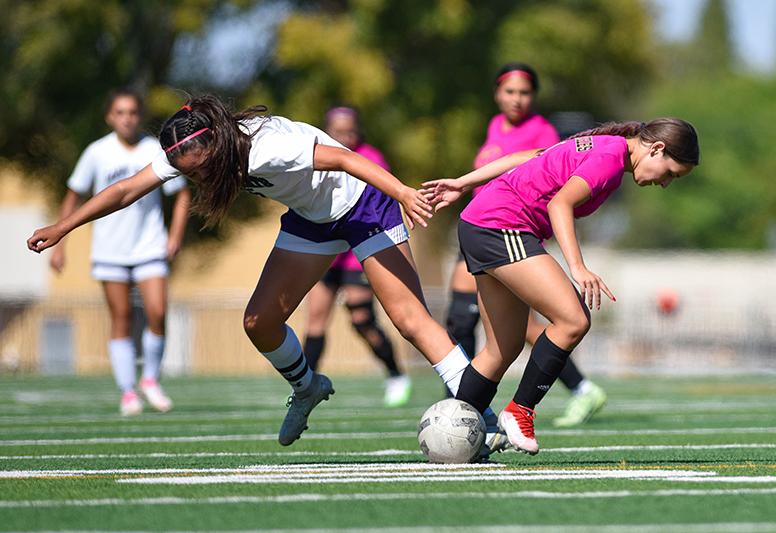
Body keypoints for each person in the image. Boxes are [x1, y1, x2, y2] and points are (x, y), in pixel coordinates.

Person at [28, 95, 504, 453]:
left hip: (365, 205)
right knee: (258, 323)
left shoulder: (268, 144)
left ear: (215, 143)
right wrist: (64, 227)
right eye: (188, 175)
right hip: (312, 220)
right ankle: (307, 387)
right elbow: (127, 189)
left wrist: (401, 191)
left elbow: (343, 158)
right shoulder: (184, 147)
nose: (197, 180)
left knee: (409, 319)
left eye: (201, 172)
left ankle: (485, 417)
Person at [423, 118, 699, 454]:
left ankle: (454, 433)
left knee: (502, 349)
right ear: (656, 148)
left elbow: (528, 157)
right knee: (574, 320)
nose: (666, 183)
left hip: (482, 223)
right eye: (671, 173)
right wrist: (578, 267)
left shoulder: (605, 147)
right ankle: (519, 411)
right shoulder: (610, 159)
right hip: (501, 224)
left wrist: (463, 183)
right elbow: (560, 204)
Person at [444, 63, 606, 427]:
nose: (517, 99)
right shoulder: (493, 127)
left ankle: (578, 388)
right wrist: (463, 184)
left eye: (525, 92)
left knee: (524, 330)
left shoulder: (542, 130)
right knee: (464, 319)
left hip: (509, 228)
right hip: (481, 222)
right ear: (497, 93)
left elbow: (543, 172)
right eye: (510, 91)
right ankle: (459, 411)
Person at [48, 88, 190, 416]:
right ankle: (128, 392)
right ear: (110, 117)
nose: (127, 119)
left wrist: (176, 235)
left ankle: (150, 380)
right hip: (110, 250)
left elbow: (181, 195)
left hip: (149, 246)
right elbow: (74, 195)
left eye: (133, 113)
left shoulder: (156, 149)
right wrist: (62, 240)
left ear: (140, 116)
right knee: (121, 318)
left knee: (157, 312)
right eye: (120, 113)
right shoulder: (96, 153)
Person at [303, 106, 411, 407]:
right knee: (315, 321)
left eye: (349, 130)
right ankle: (304, 388)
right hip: (326, 250)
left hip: (356, 251)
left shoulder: (371, 157)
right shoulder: (316, 156)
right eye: (337, 131)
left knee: (361, 317)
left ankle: (395, 373)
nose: (344, 136)